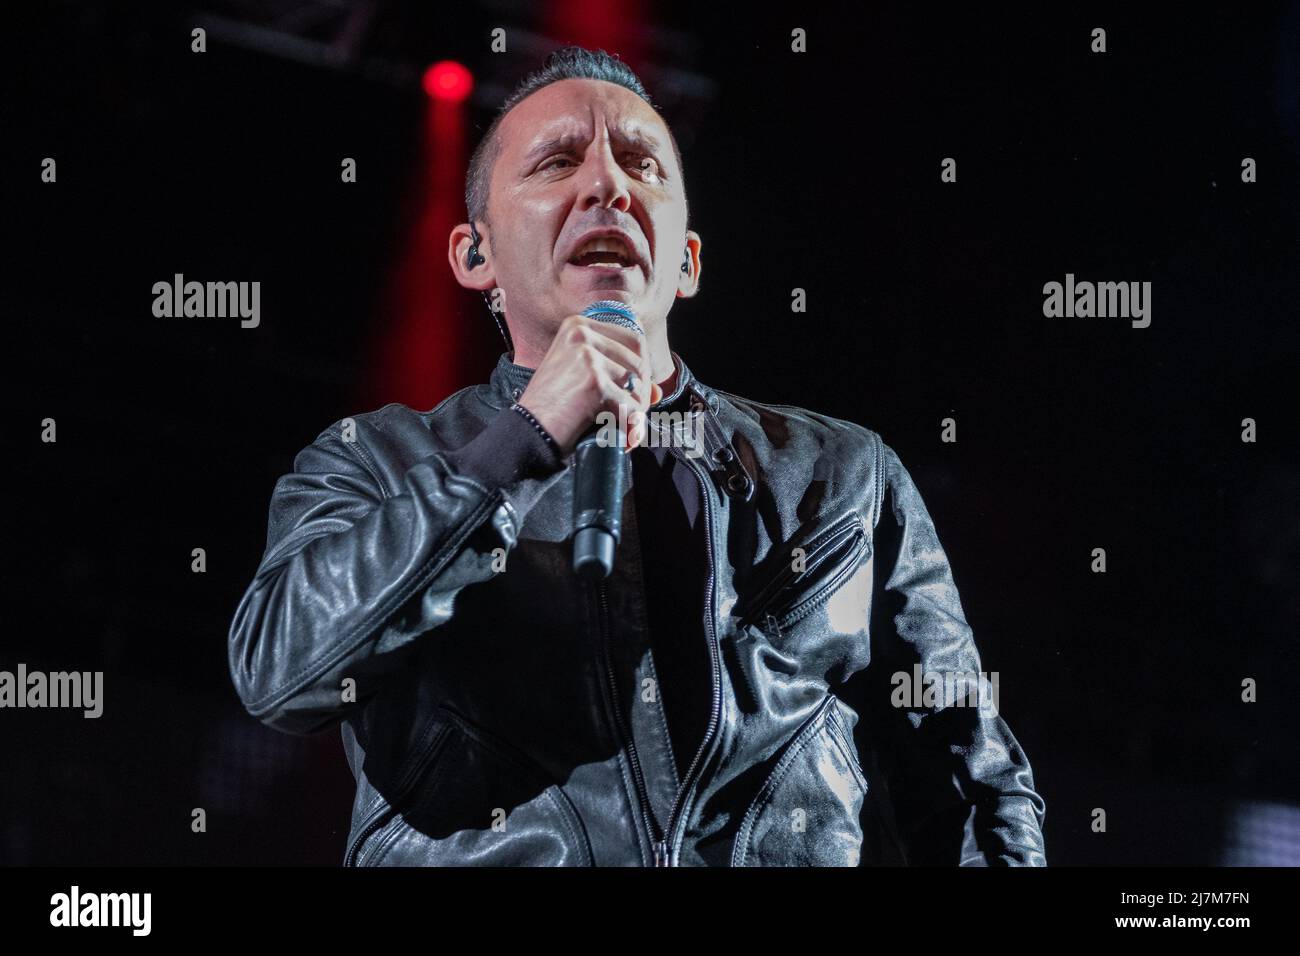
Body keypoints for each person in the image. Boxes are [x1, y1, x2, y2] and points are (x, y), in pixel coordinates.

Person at [227, 46, 1047, 866]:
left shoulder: (844, 474)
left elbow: (971, 775)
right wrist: (528, 435)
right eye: (556, 163)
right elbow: (283, 670)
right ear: (476, 257)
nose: (607, 188)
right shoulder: (377, 458)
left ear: (686, 262)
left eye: (641, 164)